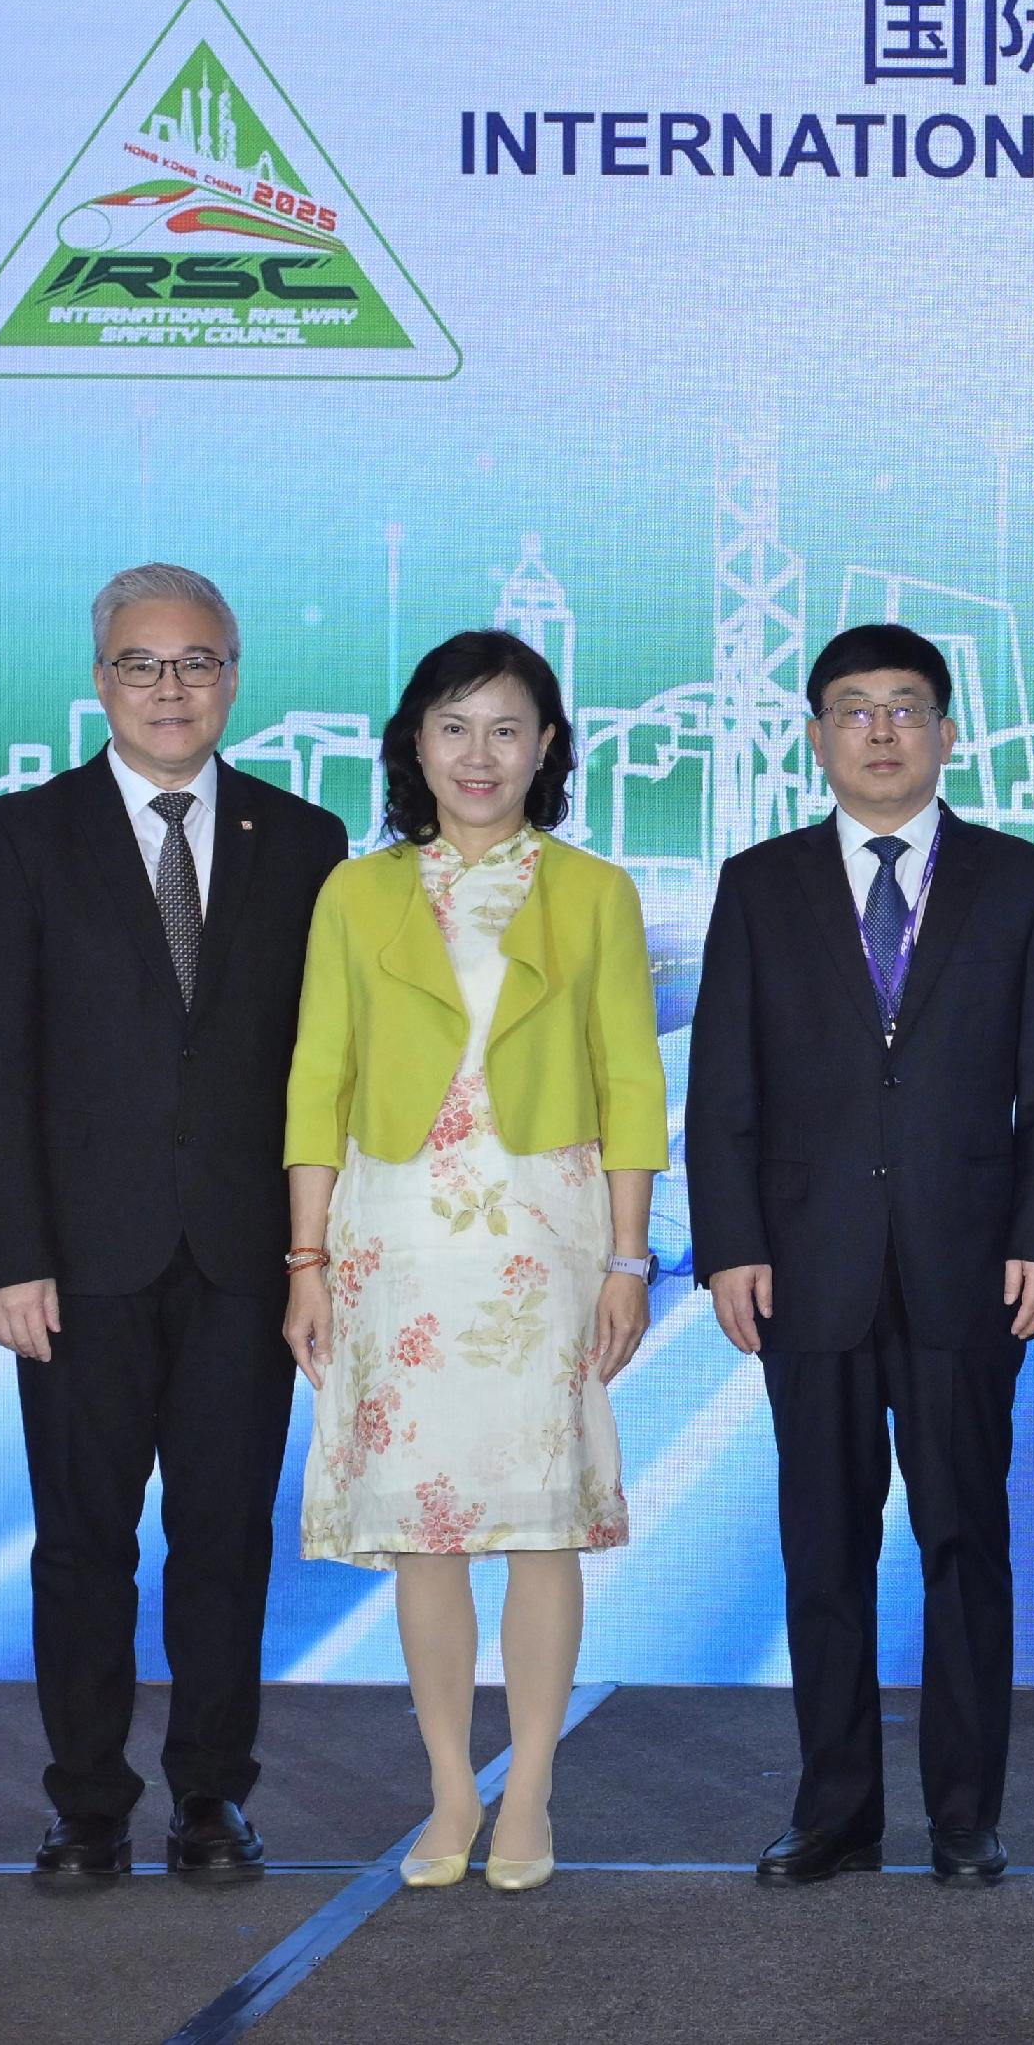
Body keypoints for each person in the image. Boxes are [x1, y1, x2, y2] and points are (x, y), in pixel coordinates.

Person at [0, 563, 349, 1886]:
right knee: (80, 1545)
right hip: (75, 1263)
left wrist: (319, 1249)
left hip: (245, 1258)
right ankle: (86, 1805)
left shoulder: (305, 840)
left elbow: (319, 1062)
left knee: (226, 1538)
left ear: (234, 675)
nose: (170, 689)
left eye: (196, 662)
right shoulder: (19, 833)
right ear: (100, 675)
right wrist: (5, 1256)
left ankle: (213, 1799)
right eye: (141, 662)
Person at [689, 623, 1034, 1890]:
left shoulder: (1019, 880)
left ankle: (966, 1813)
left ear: (947, 730)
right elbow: (721, 1090)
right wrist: (730, 1246)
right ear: (817, 736)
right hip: (808, 1267)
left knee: (967, 1540)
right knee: (823, 1544)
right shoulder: (758, 883)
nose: (879, 730)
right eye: (852, 709)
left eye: (904, 707)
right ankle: (834, 1809)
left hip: (971, 1264)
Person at [279, 627, 663, 1892]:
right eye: (454, 726)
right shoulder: (357, 889)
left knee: (540, 1524)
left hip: (542, 1232)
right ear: (415, 744)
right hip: (392, 1234)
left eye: (506, 726)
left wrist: (627, 1258)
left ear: (546, 744)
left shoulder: (595, 889)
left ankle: (533, 1790)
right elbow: (316, 1078)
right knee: (425, 1530)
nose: (479, 753)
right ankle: (451, 1788)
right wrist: (306, 1256)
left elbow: (630, 1078)